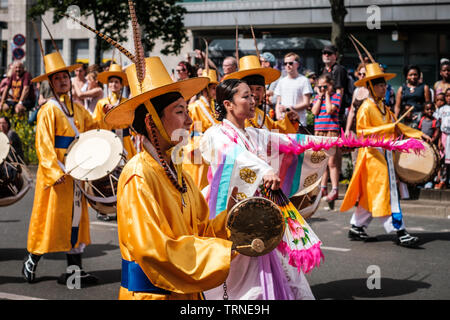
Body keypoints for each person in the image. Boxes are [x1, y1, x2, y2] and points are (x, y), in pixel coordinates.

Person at [103, 54, 233, 300]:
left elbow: (203, 228)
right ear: (153, 122)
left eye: (186, 110)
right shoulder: (138, 174)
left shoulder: (177, 169)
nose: (189, 119)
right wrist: (223, 251)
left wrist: (234, 222)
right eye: (179, 111)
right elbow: (154, 249)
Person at [201, 79, 326, 300]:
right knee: (241, 282)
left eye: (253, 95)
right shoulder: (215, 134)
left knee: (286, 274)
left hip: (260, 214)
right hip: (230, 216)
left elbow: (288, 141)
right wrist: (264, 169)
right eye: (246, 96)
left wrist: (326, 144)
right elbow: (233, 154)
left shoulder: (254, 133)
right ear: (228, 104)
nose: (253, 100)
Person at [340, 48, 432, 248]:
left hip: (384, 155)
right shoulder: (366, 107)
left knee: (371, 193)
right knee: (387, 192)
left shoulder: (384, 107)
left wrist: (418, 134)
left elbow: (397, 126)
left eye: (384, 84)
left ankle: (357, 226)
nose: (384, 87)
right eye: (380, 85)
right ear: (372, 87)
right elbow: (363, 133)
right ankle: (399, 230)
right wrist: (387, 128)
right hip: (372, 156)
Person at [22, 50, 99, 285]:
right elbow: (44, 145)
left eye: (65, 77)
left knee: (75, 220)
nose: (63, 81)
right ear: (51, 83)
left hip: (76, 173)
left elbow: (93, 127)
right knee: (50, 220)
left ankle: (74, 272)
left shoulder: (77, 109)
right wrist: (56, 171)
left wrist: (107, 115)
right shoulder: (48, 110)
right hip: (58, 175)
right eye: (57, 79)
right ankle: (32, 260)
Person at [223, 55, 299, 133]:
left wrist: (289, 121)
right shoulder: (236, 115)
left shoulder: (260, 114)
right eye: (250, 89)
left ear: (264, 91)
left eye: (258, 89)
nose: (255, 94)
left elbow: (274, 131)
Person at [183, 67, 220, 190]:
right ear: (205, 89)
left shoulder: (215, 108)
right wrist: (193, 148)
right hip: (198, 151)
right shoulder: (194, 107)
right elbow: (187, 132)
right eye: (213, 88)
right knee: (199, 185)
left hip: (213, 150)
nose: (216, 91)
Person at [311, 73, 342, 202]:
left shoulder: (336, 96)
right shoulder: (317, 98)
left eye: (325, 86)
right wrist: (320, 97)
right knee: (322, 162)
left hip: (331, 131)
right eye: (320, 87)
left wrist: (327, 95)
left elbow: (330, 110)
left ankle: (334, 188)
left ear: (331, 86)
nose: (323, 89)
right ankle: (323, 187)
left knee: (331, 162)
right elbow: (314, 111)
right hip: (319, 132)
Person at [274, 52, 313, 125]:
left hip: (299, 123)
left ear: (297, 64)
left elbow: (306, 103)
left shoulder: (304, 80)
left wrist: (290, 108)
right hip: (284, 122)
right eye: (285, 64)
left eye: (290, 63)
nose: (288, 65)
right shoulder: (281, 81)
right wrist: (278, 114)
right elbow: (278, 102)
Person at [320, 45, 352, 128]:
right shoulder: (324, 70)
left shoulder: (338, 69)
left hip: (335, 112)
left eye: (329, 53)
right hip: (326, 110)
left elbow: (339, 91)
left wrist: (335, 109)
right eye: (324, 53)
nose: (326, 55)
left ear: (335, 56)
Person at [417, 102, 440, 188]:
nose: (429, 111)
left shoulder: (435, 121)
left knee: (431, 164)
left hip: (430, 145)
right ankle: (420, 181)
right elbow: (419, 131)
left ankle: (429, 182)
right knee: (421, 163)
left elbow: (437, 133)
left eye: (431, 109)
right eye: (427, 109)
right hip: (422, 145)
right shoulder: (422, 120)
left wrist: (432, 139)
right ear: (424, 110)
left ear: (434, 110)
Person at [435, 88, 450, 189]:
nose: (449, 98)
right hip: (444, 135)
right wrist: (440, 139)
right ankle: (442, 180)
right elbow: (438, 125)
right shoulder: (442, 109)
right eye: (448, 96)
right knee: (443, 160)